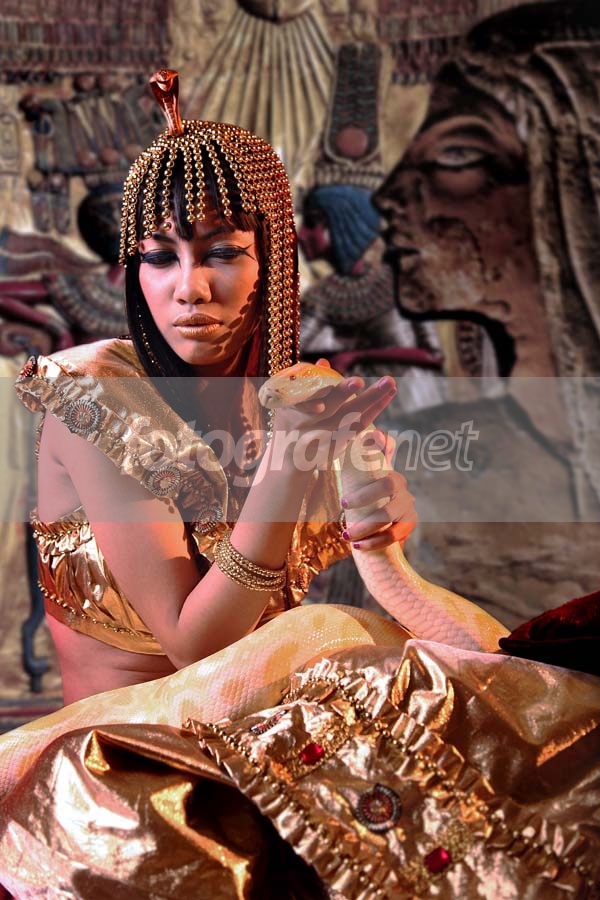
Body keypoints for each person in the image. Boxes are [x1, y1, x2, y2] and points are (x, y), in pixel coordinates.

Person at [1, 63, 598, 899]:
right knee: (342, 645)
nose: (189, 289)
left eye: (222, 254)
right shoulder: (95, 400)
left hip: (272, 728)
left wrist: (381, 526)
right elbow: (193, 643)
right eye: (159, 258)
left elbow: (374, 557)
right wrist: (289, 469)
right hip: (129, 763)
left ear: (272, 262)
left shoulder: (291, 396)